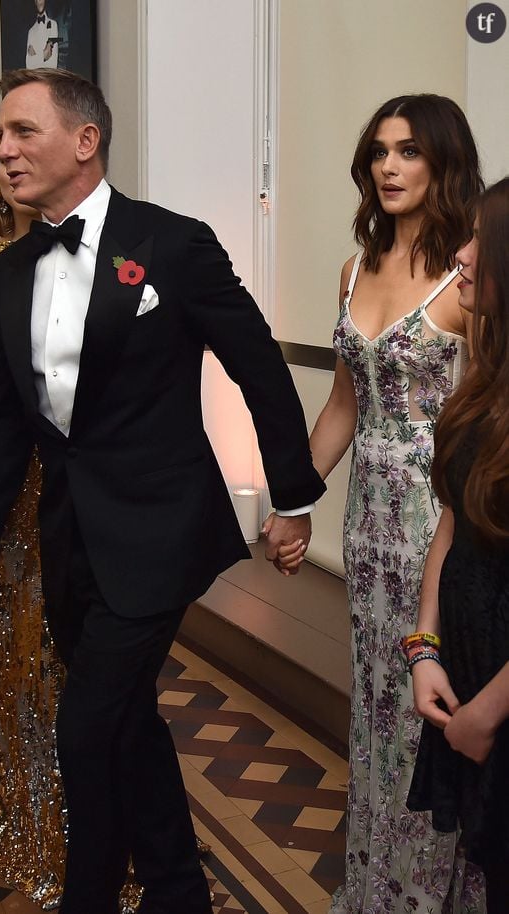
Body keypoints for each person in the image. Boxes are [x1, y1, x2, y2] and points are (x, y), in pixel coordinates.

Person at [0, 68, 324, 914]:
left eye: (22, 132)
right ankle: (179, 890)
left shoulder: (172, 244)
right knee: (127, 720)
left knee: (84, 729)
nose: (3, 151)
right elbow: (5, 425)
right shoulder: (8, 274)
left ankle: (91, 899)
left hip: (161, 531)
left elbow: (258, 365)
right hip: (71, 538)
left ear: (86, 141)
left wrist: (292, 497)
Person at [276, 95, 486, 912]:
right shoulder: (355, 266)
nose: (388, 167)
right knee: (375, 712)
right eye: (378, 153)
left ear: (444, 162)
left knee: (429, 709)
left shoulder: (471, 274)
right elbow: (343, 407)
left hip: (447, 524)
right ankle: (377, 890)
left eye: (408, 152)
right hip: (367, 528)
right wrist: (295, 502)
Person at [0, 138, 143, 913]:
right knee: (2, 661)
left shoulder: (119, 250)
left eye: (28, 143)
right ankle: (13, 818)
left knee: (69, 665)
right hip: (6, 500)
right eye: (4, 153)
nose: (11, 166)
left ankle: (81, 836)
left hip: (81, 493)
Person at [408, 176, 509, 914]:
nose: (463, 256)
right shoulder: (484, 383)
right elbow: (451, 526)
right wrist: (426, 649)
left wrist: (488, 712)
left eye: (482, 242)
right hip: (467, 672)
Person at [26, 0, 58, 70]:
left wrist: (34, 57)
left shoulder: (53, 25)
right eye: (37, 0)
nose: (39, 2)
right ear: (35, 2)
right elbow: (28, 65)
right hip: (35, 78)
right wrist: (44, 55)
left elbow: (53, 63)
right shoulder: (30, 31)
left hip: (49, 78)